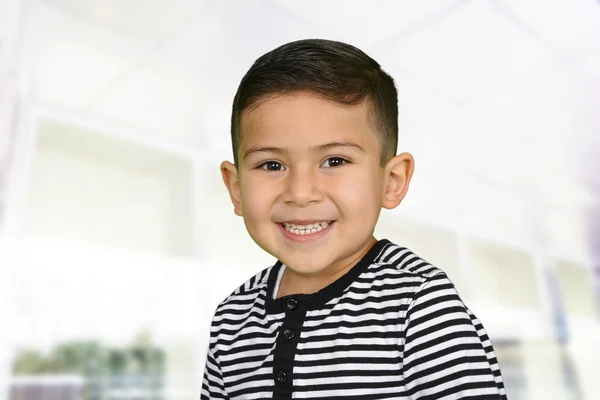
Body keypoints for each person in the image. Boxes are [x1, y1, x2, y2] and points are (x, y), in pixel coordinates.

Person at [201, 38, 507, 400]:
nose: (301, 193)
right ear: (236, 188)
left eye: (334, 161)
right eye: (272, 165)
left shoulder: (419, 304)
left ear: (391, 181)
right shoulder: (230, 318)